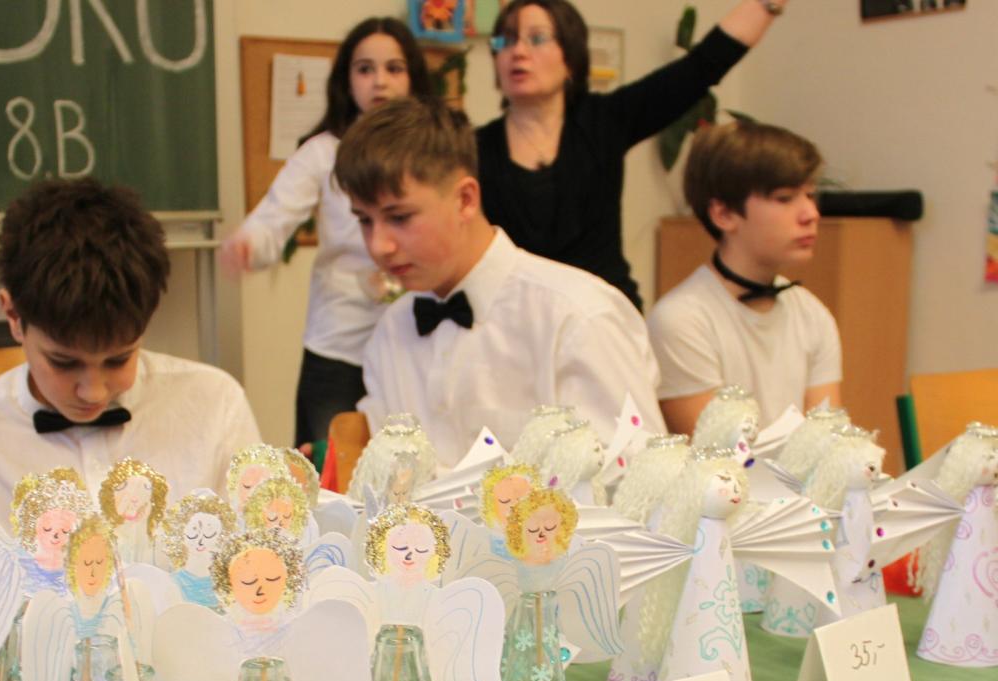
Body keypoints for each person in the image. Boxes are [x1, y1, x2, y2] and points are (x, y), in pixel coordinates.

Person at [0, 177, 260, 681]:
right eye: (64, 363)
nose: (94, 391)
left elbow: (255, 570)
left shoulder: (213, 403)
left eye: (118, 359)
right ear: (13, 316)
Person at [335, 97, 664, 466]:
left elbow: (640, 478)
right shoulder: (391, 332)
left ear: (465, 200)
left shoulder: (577, 317)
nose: (379, 245)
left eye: (399, 217)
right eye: (365, 220)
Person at [477, 0, 788, 310]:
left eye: (537, 38)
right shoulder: (474, 149)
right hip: (517, 321)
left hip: (605, 315)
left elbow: (701, 67)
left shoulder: (605, 120)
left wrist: (767, 6)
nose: (518, 51)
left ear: (570, 58)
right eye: (506, 41)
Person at [219, 17, 434, 447]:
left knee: (415, 463)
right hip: (339, 344)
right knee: (328, 465)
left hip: (418, 338)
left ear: (412, 77)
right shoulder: (322, 152)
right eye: (365, 69)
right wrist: (249, 245)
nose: (380, 81)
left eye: (393, 68)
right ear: (346, 81)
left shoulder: (433, 152)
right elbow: (273, 218)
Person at [647, 120, 841, 435]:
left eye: (809, 195)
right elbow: (717, 454)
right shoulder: (681, 321)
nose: (811, 214)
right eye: (785, 198)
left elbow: (827, 442)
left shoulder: (811, 313)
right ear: (723, 214)